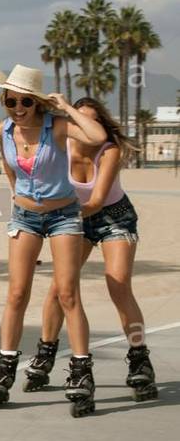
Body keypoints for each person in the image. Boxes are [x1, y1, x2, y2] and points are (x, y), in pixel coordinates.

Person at [0, 64, 106, 415]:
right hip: (24, 216)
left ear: (37, 103)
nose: (18, 108)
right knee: (17, 292)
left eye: (25, 101)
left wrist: (65, 107)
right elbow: (9, 169)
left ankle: (81, 372)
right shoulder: (2, 131)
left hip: (64, 215)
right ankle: (5, 369)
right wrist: (18, 198)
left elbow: (97, 137)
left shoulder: (59, 128)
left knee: (67, 293)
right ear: (3, 101)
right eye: (10, 101)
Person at [30, 97, 156, 401]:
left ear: (98, 126)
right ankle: (45, 355)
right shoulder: (63, 148)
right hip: (75, 217)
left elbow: (97, 201)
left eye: (90, 121)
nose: (82, 128)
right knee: (60, 289)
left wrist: (57, 216)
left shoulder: (109, 151)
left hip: (114, 217)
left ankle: (140, 359)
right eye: (76, 121)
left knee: (118, 285)